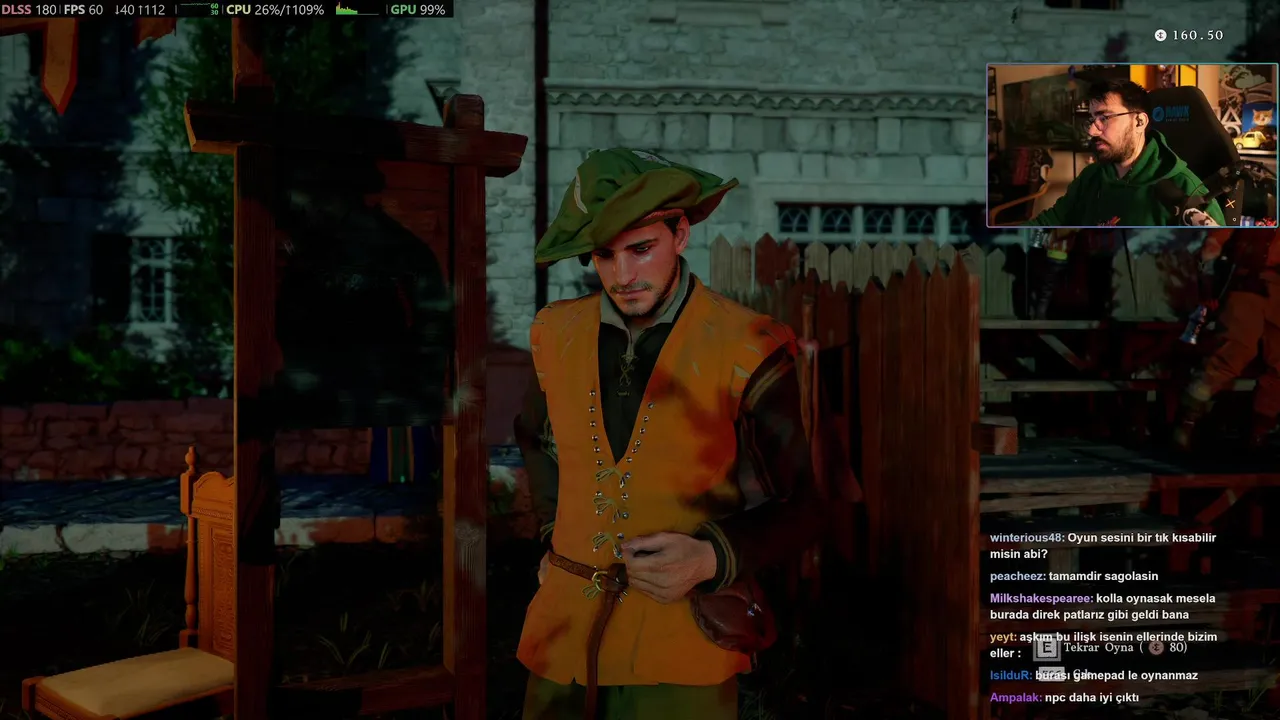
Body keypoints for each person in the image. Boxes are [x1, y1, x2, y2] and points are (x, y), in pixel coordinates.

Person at [513, 148, 825, 719]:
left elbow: (802, 503)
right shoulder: (555, 332)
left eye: (640, 249)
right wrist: (556, 532)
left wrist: (710, 557)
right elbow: (537, 439)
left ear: (680, 234)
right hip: (562, 637)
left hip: (683, 644)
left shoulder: (747, 343)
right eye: (604, 255)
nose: (622, 276)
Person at [1026, 79, 1226, 227]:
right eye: (1092, 120)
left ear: (1139, 122)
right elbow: (1049, 223)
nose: (1092, 131)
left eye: (1104, 118)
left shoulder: (1186, 190)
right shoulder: (1091, 177)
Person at [1174, 226, 1280, 449]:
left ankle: (1260, 432)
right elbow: (1213, 244)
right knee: (1233, 352)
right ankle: (1188, 419)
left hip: (1274, 289)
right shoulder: (1249, 208)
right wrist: (1208, 283)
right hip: (1249, 284)